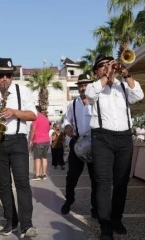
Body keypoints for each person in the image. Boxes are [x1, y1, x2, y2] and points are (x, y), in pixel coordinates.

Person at [0, 57, 38, 238]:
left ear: (12, 76)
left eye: (8, 75)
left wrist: (15, 112)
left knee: (22, 183)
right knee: (4, 185)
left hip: (18, 140)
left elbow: (33, 115)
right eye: (1, 75)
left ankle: (26, 225)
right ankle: (10, 221)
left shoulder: (23, 91)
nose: (4, 78)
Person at [86, 54, 144, 240]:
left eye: (108, 65)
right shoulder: (93, 87)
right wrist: (106, 76)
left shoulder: (123, 86)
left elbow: (139, 95)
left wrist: (125, 73)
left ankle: (117, 219)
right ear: (96, 71)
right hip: (102, 138)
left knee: (121, 182)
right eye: (102, 66)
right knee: (103, 182)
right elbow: (89, 95)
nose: (106, 67)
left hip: (124, 137)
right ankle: (105, 225)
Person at [61, 74, 98, 218]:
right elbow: (66, 120)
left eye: (86, 85)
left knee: (95, 178)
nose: (83, 88)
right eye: (80, 85)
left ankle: (95, 207)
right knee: (72, 176)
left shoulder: (96, 101)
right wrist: (68, 126)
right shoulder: (73, 104)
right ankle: (69, 199)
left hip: (95, 143)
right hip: (77, 143)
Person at [29, 105, 50, 180]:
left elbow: (33, 129)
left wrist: (30, 140)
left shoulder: (35, 117)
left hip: (38, 141)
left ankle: (37, 175)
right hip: (46, 140)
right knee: (44, 158)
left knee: (37, 158)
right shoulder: (45, 118)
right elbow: (48, 129)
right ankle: (44, 175)